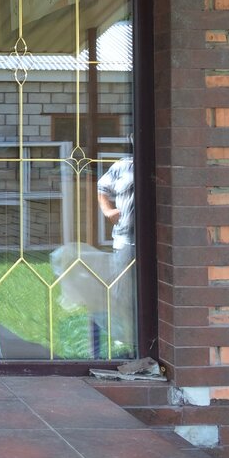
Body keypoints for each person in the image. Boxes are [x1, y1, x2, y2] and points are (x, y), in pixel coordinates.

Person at [97, 151, 136, 356]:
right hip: (125, 240)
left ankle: (142, 337)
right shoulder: (123, 165)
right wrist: (107, 211)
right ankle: (126, 338)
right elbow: (102, 188)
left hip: (156, 241)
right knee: (123, 294)